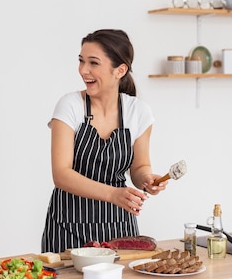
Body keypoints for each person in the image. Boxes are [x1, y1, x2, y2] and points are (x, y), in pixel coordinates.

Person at [41, 29, 167, 253]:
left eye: (93, 63)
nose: (83, 70)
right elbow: (61, 174)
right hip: (68, 226)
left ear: (120, 70)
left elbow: (139, 166)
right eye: (81, 61)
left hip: (119, 226)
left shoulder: (138, 111)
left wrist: (147, 179)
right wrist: (112, 194)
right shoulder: (70, 106)